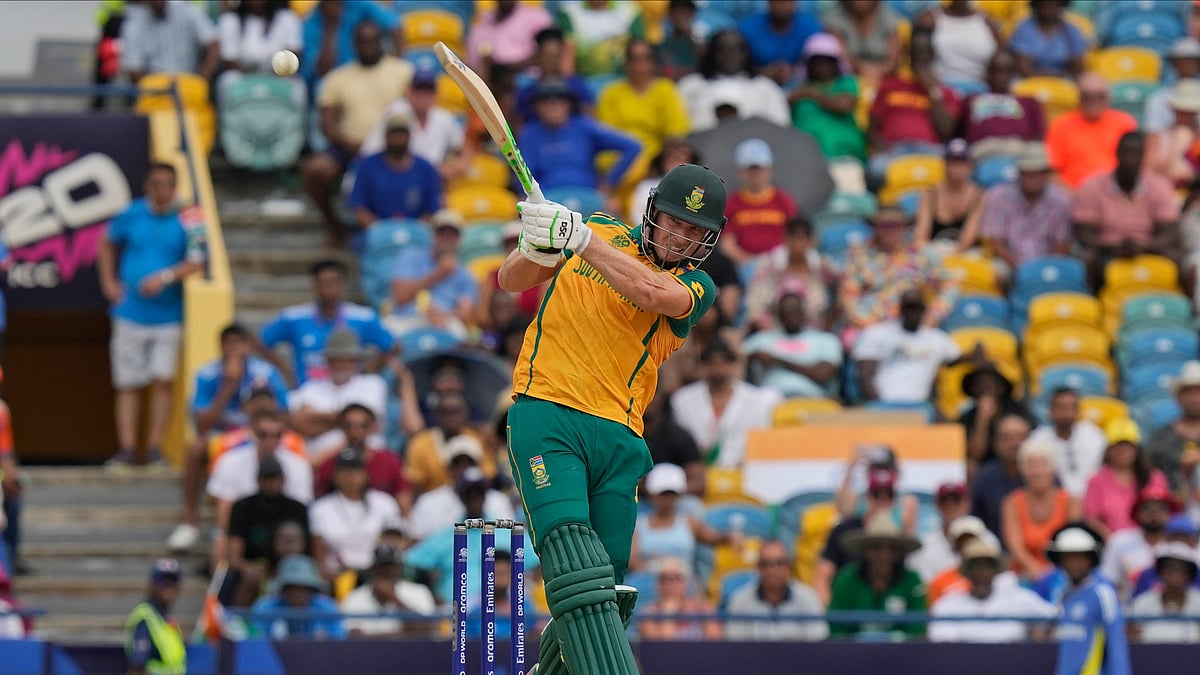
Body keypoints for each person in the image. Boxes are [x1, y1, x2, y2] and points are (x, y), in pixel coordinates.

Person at [501, 162, 729, 674]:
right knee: (570, 554)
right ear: (652, 214)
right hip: (549, 412)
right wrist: (537, 244)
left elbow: (651, 293)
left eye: (694, 231)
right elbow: (509, 280)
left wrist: (579, 239)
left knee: (607, 596)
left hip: (620, 439)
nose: (680, 237)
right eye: (674, 222)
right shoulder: (601, 230)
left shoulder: (696, 285)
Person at [97, 163, 207, 467]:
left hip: (168, 315)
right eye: (157, 184)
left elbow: (198, 261)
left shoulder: (191, 215)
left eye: (169, 184)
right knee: (127, 383)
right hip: (129, 313)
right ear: (147, 186)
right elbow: (106, 242)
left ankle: (155, 448)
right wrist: (109, 282)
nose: (163, 190)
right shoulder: (131, 213)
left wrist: (165, 277)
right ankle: (127, 448)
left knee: (163, 380)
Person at [168, 323, 290, 552]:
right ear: (221, 347)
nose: (234, 348)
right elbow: (201, 424)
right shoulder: (207, 374)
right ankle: (190, 522)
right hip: (224, 436)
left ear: (248, 346)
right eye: (228, 343)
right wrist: (228, 385)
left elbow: (284, 415)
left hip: (262, 434)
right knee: (196, 448)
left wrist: (260, 412)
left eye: (239, 343)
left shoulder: (266, 373)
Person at [301, 21, 413, 247]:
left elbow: (414, 113)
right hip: (349, 148)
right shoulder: (338, 77)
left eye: (373, 41)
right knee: (315, 170)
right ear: (354, 44)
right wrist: (351, 145)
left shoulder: (402, 71)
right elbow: (327, 125)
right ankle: (335, 227)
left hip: (393, 146)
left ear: (381, 42)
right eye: (363, 41)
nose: (368, 46)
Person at [259, 259, 394, 386]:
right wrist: (286, 371)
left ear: (343, 285)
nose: (329, 287)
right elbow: (260, 342)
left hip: (350, 393)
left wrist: (368, 370)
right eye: (323, 282)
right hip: (308, 394)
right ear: (314, 285)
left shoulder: (363, 317)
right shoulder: (294, 317)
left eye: (334, 282)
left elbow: (393, 346)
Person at [1073, 131, 1181, 279]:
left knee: (1175, 256)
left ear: (1143, 157)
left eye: (1136, 154)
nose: (1131, 160)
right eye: (1127, 153)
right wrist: (1114, 246)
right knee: (1087, 258)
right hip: (1105, 252)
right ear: (1117, 154)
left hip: (1148, 249)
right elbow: (1084, 233)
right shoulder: (1093, 185)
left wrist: (1142, 247)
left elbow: (1169, 233)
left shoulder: (1159, 185)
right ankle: (1090, 293)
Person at [840, 209, 960, 341]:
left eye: (895, 225)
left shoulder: (922, 253)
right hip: (869, 324)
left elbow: (949, 286)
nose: (889, 230)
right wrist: (864, 323)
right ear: (874, 227)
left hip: (911, 324)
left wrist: (932, 316)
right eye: (883, 226)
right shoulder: (859, 254)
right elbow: (848, 294)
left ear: (905, 227)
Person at [520, 77, 642, 203]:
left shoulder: (584, 127)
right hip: (548, 198)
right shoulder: (530, 134)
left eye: (559, 100)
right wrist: (528, 197)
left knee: (611, 209)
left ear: (569, 104)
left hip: (588, 194)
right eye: (545, 101)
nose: (553, 106)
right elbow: (522, 171)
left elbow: (632, 146)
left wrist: (609, 184)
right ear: (536, 106)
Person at [867, 29, 962, 185]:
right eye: (915, 52)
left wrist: (932, 90)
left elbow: (947, 130)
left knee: (952, 172)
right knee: (876, 171)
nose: (919, 57)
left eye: (924, 52)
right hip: (894, 149)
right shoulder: (890, 85)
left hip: (930, 150)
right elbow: (871, 129)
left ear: (932, 55)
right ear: (908, 55)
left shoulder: (945, 92)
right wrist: (882, 146)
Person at [670, 339, 780, 467]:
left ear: (734, 365)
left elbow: (760, 442)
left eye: (725, 361)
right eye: (711, 361)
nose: (718, 367)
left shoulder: (757, 400)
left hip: (743, 469)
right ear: (703, 365)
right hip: (696, 468)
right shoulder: (682, 400)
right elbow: (680, 440)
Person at [853, 288, 971, 404]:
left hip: (920, 406)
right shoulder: (876, 334)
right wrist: (882, 407)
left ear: (924, 310)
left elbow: (956, 358)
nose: (912, 312)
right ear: (900, 309)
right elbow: (865, 376)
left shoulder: (938, 339)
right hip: (883, 405)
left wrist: (975, 353)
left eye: (916, 308)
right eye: (908, 308)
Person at [287, 328, 388, 462]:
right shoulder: (310, 388)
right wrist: (347, 421)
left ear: (356, 361)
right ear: (327, 361)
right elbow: (301, 425)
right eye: (336, 360)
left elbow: (369, 424)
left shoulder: (373, 384)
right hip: (319, 465)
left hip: (365, 461)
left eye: (347, 360)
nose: (341, 365)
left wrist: (318, 419)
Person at [929, 538, 1057, 643]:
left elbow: (1054, 618)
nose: (981, 572)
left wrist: (1040, 637)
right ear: (967, 572)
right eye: (975, 566)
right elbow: (944, 646)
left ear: (996, 570)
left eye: (987, 565)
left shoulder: (1019, 599)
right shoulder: (947, 605)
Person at [224, 455, 310, 607]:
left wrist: (288, 570)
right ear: (258, 480)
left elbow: (307, 550)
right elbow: (234, 555)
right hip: (254, 566)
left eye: (274, 479)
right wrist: (249, 568)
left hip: (293, 566)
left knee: (300, 579)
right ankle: (239, 619)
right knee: (250, 577)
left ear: (283, 480)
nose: (271, 484)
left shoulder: (297, 509)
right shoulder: (242, 507)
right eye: (266, 479)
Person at [828, 511, 926, 639]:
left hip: (901, 651)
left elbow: (918, 628)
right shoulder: (846, 580)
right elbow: (836, 627)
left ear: (899, 552)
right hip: (852, 650)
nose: (883, 555)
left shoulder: (912, 581)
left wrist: (895, 640)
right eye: (875, 547)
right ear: (865, 550)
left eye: (892, 548)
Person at [1048, 526, 1132, 675]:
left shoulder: (1103, 593)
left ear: (1091, 559)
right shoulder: (1064, 595)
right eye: (1067, 558)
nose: (1073, 564)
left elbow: (1116, 643)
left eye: (1079, 557)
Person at [309, 448, 402, 581]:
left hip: (376, 575)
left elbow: (396, 543)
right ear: (335, 476)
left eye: (356, 470)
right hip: (337, 577)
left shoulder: (385, 503)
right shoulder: (320, 508)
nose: (351, 475)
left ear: (366, 474)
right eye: (345, 470)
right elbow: (319, 557)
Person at [595, 38, 690, 167]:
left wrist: (657, 161)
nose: (641, 65)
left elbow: (676, 130)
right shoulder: (611, 93)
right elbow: (607, 133)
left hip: (655, 161)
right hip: (619, 159)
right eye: (635, 59)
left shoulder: (666, 90)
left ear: (653, 62)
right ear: (627, 63)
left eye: (646, 58)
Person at [628, 463, 738, 574]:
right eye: (662, 494)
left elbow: (714, 538)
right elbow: (633, 560)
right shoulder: (638, 525)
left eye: (671, 494)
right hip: (649, 579)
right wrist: (660, 578)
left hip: (684, 579)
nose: (667, 499)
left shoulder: (690, 522)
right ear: (652, 494)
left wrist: (730, 536)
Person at [978, 141, 1073, 270]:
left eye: (1038, 172)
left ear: (1046, 174)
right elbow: (995, 241)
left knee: (1069, 270)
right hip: (1008, 262)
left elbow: (1062, 244)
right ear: (1019, 172)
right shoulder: (999, 196)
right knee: (996, 270)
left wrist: (1041, 270)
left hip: (1048, 265)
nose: (1033, 177)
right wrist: (1019, 267)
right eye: (1028, 172)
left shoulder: (1061, 200)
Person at [675, 29, 790, 133]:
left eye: (736, 49)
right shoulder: (690, 85)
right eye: (722, 49)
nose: (730, 55)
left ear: (745, 53)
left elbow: (780, 128)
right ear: (712, 53)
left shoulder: (765, 87)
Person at [1002, 437, 1081, 581]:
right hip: (1024, 574)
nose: (1037, 472)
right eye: (1031, 465)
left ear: (1053, 468)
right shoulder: (1011, 503)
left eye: (1043, 464)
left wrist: (1051, 575)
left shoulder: (1071, 501)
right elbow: (1015, 547)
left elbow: (1072, 541)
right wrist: (1037, 571)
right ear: (1022, 470)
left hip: (1063, 573)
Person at [743, 216, 839, 333]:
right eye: (795, 236)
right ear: (786, 238)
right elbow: (754, 304)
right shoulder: (769, 265)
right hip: (772, 330)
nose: (799, 242)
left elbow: (843, 292)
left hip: (814, 331)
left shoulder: (823, 266)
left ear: (812, 240)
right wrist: (770, 331)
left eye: (804, 237)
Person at [348, 111, 443, 227]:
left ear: (410, 137)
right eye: (394, 134)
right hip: (375, 230)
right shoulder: (367, 166)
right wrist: (381, 230)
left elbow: (432, 209)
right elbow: (358, 206)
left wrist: (412, 231)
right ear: (386, 136)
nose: (398, 138)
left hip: (415, 231)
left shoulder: (426, 168)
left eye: (402, 134)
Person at [1045, 73, 1138, 190]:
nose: (1093, 101)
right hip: (1074, 192)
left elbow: (1136, 164)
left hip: (1115, 192)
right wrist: (1074, 194)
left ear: (1108, 98)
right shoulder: (1061, 125)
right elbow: (1052, 172)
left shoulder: (1125, 123)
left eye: (1099, 96)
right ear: (1078, 98)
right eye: (1086, 96)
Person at [743, 291, 842, 399]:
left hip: (812, 399)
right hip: (771, 400)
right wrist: (752, 357)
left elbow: (822, 374)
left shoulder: (825, 339)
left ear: (803, 312)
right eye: (785, 311)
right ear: (778, 314)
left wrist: (777, 361)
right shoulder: (761, 339)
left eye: (794, 310)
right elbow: (736, 358)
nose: (790, 316)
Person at [1084, 418, 1171, 541]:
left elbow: (1164, 512)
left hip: (1149, 540)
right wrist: (1112, 541)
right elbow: (1092, 518)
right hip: (1110, 542)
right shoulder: (1096, 480)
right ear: (1108, 450)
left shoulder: (1155, 477)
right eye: (1117, 446)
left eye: (1128, 446)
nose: (1123, 451)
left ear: (1137, 449)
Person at [724, 540, 829, 640]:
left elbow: (817, 642)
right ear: (758, 568)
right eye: (766, 564)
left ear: (789, 566)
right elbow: (735, 645)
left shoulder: (809, 598)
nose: (773, 570)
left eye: (779, 563)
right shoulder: (740, 601)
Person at [313, 404, 409, 510]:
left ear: (372, 427)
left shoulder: (389, 461)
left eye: (363, 426)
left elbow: (403, 500)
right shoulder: (330, 465)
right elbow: (321, 503)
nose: (355, 432)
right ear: (341, 427)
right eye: (349, 426)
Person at [720, 139, 800, 265]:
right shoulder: (731, 203)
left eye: (759, 168)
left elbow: (796, 235)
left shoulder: (784, 200)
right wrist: (750, 262)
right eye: (750, 169)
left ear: (770, 170)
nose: (755, 174)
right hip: (745, 265)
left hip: (780, 263)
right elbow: (727, 243)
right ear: (740, 172)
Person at [789, 32, 865, 162]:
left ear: (836, 63)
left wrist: (811, 94)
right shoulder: (797, 87)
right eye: (816, 61)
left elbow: (843, 105)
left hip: (843, 156)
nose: (822, 66)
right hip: (804, 159)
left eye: (827, 61)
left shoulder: (846, 83)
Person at [958, 50, 1046, 160]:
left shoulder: (1029, 101)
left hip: (1020, 148)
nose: (1001, 76)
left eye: (1008, 70)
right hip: (984, 148)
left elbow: (1039, 135)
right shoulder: (970, 100)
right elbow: (959, 133)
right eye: (996, 70)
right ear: (988, 73)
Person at [1101, 484, 1182, 602]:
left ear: (1170, 513)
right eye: (1147, 508)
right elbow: (1108, 580)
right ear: (1137, 512)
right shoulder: (1119, 541)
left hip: (1175, 610)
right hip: (1129, 609)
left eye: (1161, 508)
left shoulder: (1181, 543)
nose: (1154, 513)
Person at [215, 0, 304, 105]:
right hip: (243, 75)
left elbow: (293, 54)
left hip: (277, 75)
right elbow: (229, 60)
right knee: (227, 80)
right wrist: (255, 76)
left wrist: (271, 74)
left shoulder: (288, 18)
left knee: (297, 85)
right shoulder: (230, 19)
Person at [340, 544, 437, 637]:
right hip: (369, 650)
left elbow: (426, 631)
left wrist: (394, 598)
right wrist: (403, 634)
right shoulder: (354, 597)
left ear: (400, 568)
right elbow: (353, 637)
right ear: (372, 570)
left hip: (409, 649)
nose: (387, 571)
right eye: (381, 567)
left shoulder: (419, 592)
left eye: (391, 567)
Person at [1027, 387, 1107, 500]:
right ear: (1050, 411)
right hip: (1053, 502)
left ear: (1078, 411)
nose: (1065, 412)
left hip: (1092, 499)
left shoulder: (1093, 435)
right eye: (1060, 407)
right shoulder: (1037, 439)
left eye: (1070, 407)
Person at [120, 0, 219, 84]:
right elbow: (134, 67)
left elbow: (213, 44)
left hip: (189, 83)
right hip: (154, 86)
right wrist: (151, 87)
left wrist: (202, 79)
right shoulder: (134, 23)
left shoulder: (187, 11)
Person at [251, 554, 345, 640]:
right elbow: (256, 641)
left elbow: (339, 641)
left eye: (304, 587)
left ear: (312, 589)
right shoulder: (265, 608)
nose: (298, 593)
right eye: (292, 587)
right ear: (283, 589)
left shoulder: (327, 608)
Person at [959, 362, 1036, 467]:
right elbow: (975, 455)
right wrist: (982, 419)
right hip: (985, 466)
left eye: (994, 382)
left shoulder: (1017, 409)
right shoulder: (967, 417)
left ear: (1002, 386)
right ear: (973, 388)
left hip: (1018, 461)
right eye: (981, 383)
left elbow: (1031, 442)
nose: (988, 387)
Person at [914, 138, 983, 255]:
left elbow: (970, 236)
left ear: (970, 166)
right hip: (935, 250)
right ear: (944, 164)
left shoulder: (978, 194)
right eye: (953, 162)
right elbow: (921, 235)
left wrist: (952, 258)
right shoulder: (930, 193)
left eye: (961, 162)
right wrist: (930, 255)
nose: (957, 168)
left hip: (966, 253)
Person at [972, 415, 1034, 537]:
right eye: (1006, 438)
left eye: (1021, 437)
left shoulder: (1043, 473)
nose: (1014, 443)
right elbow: (976, 519)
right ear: (995, 442)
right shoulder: (985, 477)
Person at [737, 0, 823, 84]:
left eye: (788, 1)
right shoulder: (747, 28)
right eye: (778, 2)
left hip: (801, 83)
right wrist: (761, 72)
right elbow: (740, 66)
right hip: (755, 82)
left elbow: (820, 64)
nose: (783, 6)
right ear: (769, 2)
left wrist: (794, 71)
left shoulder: (812, 28)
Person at [1147, 361, 1200, 496]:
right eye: (1188, 393)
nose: (1194, 399)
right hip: (1169, 504)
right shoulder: (1161, 438)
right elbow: (1149, 475)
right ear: (1178, 398)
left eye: (1198, 392)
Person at [124, 558, 186, 675]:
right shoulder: (145, 617)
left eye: (172, 581)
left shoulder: (166, 619)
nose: (168, 586)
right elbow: (139, 666)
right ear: (152, 585)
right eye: (162, 581)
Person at [637, 556, 721, 641]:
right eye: (664, 578)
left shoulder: (704, 609)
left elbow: (714, 641)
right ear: (657, 584)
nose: (670, 584)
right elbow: (662, 646)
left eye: (677, 577)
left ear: (686, 582)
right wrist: (668, 614)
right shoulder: (648, 614)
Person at [1129, 542, 1200, 643]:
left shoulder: (1198, 602)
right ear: (1160, 571)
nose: (1175, 572)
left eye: (1182, 568)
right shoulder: (1143, 602)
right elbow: (1132, 638)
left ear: (1190, 574)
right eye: (1169, 567)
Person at [821, 0, 904, 87]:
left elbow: (893, 59)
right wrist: (863, 70)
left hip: (885, 77)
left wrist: (878, 71)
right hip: (845, 79)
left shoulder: (890, 18)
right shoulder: (832, 20)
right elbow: (840, 55)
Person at [908, 483, 971, 584]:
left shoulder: (985, 540)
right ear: (936, 505)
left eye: (956, 500)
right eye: (944, 501)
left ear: (967, 504)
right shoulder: (924, 545)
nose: (950, 506)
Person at [466, 0, 554, 72]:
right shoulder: (482, 22)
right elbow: (473, 65)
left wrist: (506, 68)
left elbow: (547, 55)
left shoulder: (537, 17)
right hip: (492, 83)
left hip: (529, 82)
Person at [1009, 0, 1087, 79]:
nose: (1048, 6)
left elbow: (1077, 69)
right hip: (1030, 81)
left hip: (1063, 82)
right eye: (1044, 2)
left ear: (1061, 4)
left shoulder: (1071, 31)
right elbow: (1025, 70)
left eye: (1052, 2)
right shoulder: (1024, 29)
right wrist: (1057, 75)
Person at [930, 0, 999, 86]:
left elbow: (1002, 56)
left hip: (982, 88)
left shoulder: (987, 20)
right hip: (938, 86)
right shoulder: (931, 18)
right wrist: (933, 89)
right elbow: (920, 62)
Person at [1145, 37, 1200, 136]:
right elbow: (1154, 135)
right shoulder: (1158, 99)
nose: (1187, 65)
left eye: (1192, 60)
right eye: (1182, 60)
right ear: (1174, 64)